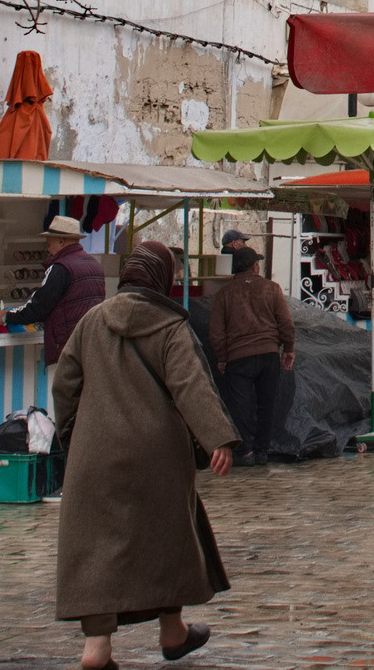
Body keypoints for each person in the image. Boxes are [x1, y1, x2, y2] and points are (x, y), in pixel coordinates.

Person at [55, 239, 238, 670]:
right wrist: (218, 439)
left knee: (97, 546)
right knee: (168, 537)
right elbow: (190, 386)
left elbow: (66, 383)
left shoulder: (91, 321)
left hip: (94, 453)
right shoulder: (171, 327)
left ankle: (96, 649)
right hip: (157, 455)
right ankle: (172, 631)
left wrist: (72, 435)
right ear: (163, 280)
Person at [208, 246, 296, 466]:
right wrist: (288, 349)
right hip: (268, 354)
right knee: (267, 404)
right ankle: (262, 451)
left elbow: (216, 332)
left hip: (238, 358)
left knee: (241, 406)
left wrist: (222, 357)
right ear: (255, 266)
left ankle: (246, 450)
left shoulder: (224, 294)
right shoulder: (272, 289)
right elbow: (286, 323)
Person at [3, 215, 107, 365]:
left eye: (49, 243)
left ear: (61, 241)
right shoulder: (94, 265)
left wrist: (6, 317)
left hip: (68, 345)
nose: (48, 248)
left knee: (66, 388)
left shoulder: (60, 267)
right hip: (90, 342)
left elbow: (39, 307)